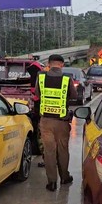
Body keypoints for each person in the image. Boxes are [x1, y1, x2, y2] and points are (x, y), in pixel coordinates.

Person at [35, 54, 77, 191]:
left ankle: (51, 182)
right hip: (62, 121)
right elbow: (74, 96)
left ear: (48, 64)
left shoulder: (41, 77)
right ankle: (65, 177)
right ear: (62, 65)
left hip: (46, 121)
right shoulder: (67, 79)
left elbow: (38, 94)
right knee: (63, 150)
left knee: (49, 151)